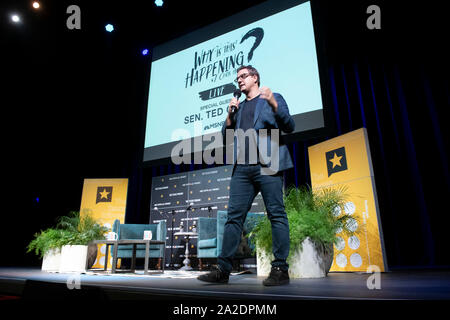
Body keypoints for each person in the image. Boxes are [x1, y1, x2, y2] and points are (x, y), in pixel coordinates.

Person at [197, 65, 295, 286]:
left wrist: (273, 103)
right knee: (234, 219)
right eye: (237, 78)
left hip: (268, 165)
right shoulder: (238, 107)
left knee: (276, 215)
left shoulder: (274, 97)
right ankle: (223, 270)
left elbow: (290, 126)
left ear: (255, 77)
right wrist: (230, 115)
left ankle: (280, 269)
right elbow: (226, 138)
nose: (239, 81)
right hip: (242, 168)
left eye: (243, 76)